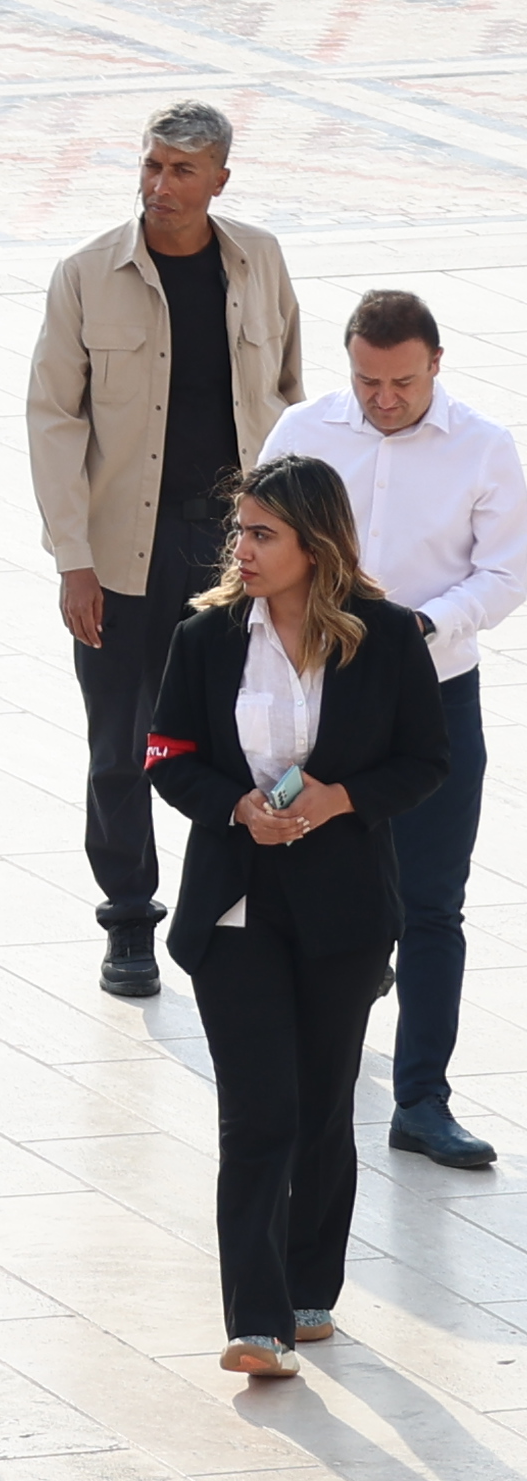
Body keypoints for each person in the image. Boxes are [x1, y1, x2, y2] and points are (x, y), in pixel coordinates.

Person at [149, 456, 457, 1375]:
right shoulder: (203, 640)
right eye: (240, 531)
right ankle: (256, 1321)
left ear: (314, 546)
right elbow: (167, 753)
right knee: (259, 1113)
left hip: (344, 912)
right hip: (236, 905)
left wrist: (340, 799)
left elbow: (426, 759)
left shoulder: (388, 637)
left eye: (262, 534)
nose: (241, 549)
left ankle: (310, 1292)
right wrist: (237, 806)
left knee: (323, 1109)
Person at [29, 103, 304, 996]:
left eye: (183, 171)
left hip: (237, 551)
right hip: (124, 551)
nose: (160, 187)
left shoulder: (259, 261)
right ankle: (129, 922)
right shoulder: (85, 275)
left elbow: (294, 401)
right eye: (151, 166)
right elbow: (53, 421)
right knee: (122, 745)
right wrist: (75, 559)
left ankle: (236, 913)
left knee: (251, 734)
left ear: (221, 178)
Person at [261, 288, 527, 1171]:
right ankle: (299, 1075)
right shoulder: (304, 431)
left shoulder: (484, 449)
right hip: (316, 697)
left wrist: (419, 628)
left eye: (402, 382)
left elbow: (505, 573)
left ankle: (422, 1100)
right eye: (368, 381)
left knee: (431, 906)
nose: (384, 399)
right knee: (298, 881)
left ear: (437, 365)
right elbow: (257, 535)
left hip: (432, 699)